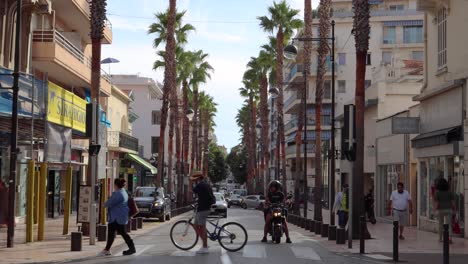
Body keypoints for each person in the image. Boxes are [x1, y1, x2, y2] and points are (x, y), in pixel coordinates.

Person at [98, 178, 135, 256]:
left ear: (115, 185)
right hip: (119, 217)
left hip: (116, 218)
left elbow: (108, 203)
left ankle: (132, 248)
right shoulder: (123, 192)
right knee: (113, 233)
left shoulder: (118, 194)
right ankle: (107, 249)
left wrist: (103, 204)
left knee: (121, 233)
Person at [191, 171, 215, 254]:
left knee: (202, 227)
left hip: (203, 209)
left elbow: (193, 190)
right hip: (204, 208)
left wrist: (192, 183)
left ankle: (205, 247)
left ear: (197, 179)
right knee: (195, 226)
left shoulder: (200, 185)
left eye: (194, 180)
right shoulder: (206, 184)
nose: (193, 181)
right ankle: (204, 242)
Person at [434, 178, 456, 243]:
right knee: (449, 224)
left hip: (440, 210)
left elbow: (436, 203)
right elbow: (453, 202)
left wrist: (435, 210)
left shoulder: (437, 192)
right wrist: (454, 209)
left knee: (440, 224)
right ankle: (450, 238)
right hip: (449, 209)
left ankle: (440, 239)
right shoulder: (450, 192)